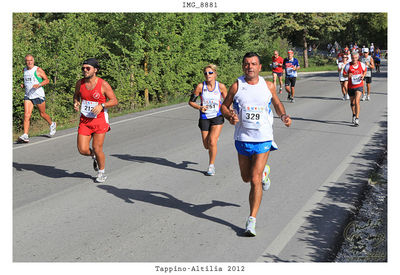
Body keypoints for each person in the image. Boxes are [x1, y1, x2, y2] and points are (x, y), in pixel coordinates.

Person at [221, 52, 292, 236]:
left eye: (253, 64)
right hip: (243, 138)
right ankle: (265, 174)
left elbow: (277, 104)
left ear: (260, 67)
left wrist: (283, 115)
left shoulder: (268, 86)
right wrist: (230, 116)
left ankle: (251, 219)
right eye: (246, 64)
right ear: (243, 66)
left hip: (263, 138)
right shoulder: (237, 86)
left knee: (254, 179)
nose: (250, 67)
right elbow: (224, 106)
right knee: (246, 177)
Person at [73, 58, 118, 183]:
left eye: (88, 68)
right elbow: (76, 95)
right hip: (85, 121)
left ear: (95, 70)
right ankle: (94, 156)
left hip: (99, 121)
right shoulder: (80, 83)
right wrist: (76, 102)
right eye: (83, 68)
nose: (85, 70)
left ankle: (101, 172)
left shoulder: (103, 84)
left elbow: (114, 100)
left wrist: (101, 106)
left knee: (97, 148)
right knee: (82, 149)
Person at [189, 64, 227, 176]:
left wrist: (230, 111)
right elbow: (191, 102)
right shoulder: (200, 87)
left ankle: (211, 166)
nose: (208, 75)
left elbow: (228, 100)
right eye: (205, 73)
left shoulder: (221, 86)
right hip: (204, 117)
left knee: (212, 142)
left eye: (210, 73)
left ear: (215, 74)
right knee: (206, 145)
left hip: (217, 116)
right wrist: (200, 107)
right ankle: (213, 140)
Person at [18, 54, 56, 143]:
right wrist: (24, 85)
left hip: (38, 95)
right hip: (28, 95)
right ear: (25, 62)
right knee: (27, 115)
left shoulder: (38, 70)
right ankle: (25, 135)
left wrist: (38, 85)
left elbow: (47, 80)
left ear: (33, 60)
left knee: (42, 114)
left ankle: (52, 124)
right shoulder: (24, 70)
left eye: (30, 60)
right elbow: (27, 80)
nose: (29, 62)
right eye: (27, 60)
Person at [343, 51, 367, 127]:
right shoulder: (348, 66)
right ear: (351, 58)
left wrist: (363, 75)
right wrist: (348, 75)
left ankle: (357, 118)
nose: (354, 59)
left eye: (356, 58)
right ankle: (353, 114)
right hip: (351, 86)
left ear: (358, 58)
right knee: (352, 103)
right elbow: (343, 74)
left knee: (357, 101)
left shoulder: (362, 65)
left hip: (359, 85)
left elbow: (365, 70)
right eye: (353, 58)